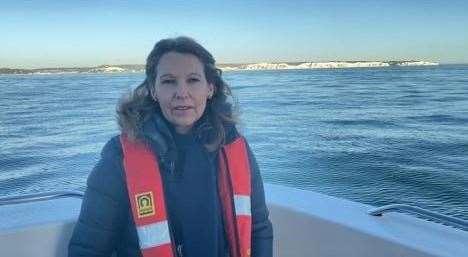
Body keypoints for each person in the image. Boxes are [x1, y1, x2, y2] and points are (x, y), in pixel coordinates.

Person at [68, 36, 273, 257]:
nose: (182, 93)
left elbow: (258, 228)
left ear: (210, 88)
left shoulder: (236, 148)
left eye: (193, 80)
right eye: (168, 81)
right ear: (153, 90)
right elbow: (89, 247)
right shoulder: (119, 157)